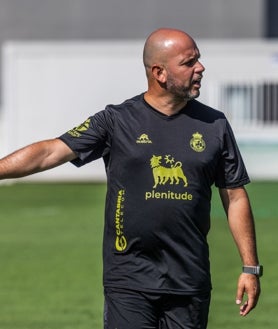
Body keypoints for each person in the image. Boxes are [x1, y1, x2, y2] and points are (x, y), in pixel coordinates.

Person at [0, 28, 261, 329]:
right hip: (129, 279)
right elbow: (49, 152)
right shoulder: (116, 120)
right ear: (159, 72)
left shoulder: (215, 125)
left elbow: (235, 196)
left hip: (189, 279)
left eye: (198, 60)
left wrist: (250, 267)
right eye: (189, 62)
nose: (200, 68)